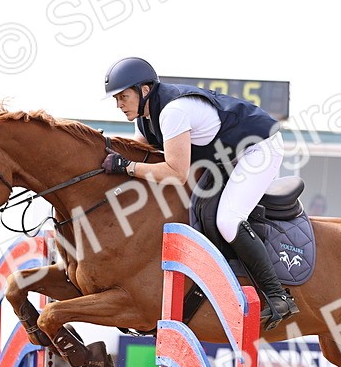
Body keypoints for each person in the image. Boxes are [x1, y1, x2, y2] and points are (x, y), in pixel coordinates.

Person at [101, 56, 299, 329]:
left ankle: (278, 295)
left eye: (123, 96)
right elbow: (143, 157)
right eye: (116, 99)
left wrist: (128, 168)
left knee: (227, 220)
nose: (119, 104)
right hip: (223, 156)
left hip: (258, 148)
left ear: (144, 90)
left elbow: (175, 172)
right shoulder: (144, 118)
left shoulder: (173, 112)